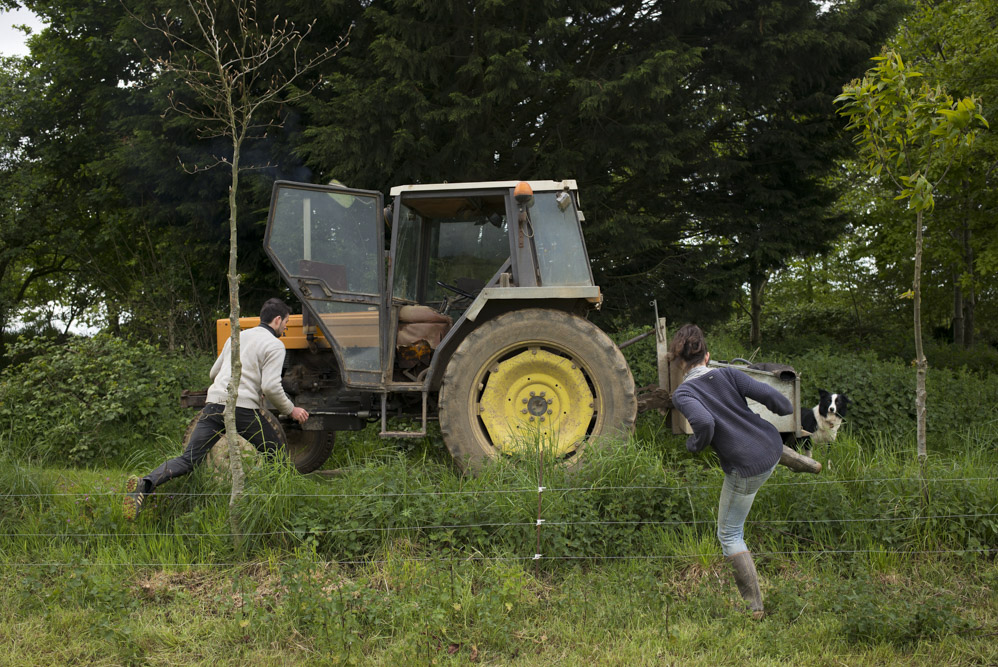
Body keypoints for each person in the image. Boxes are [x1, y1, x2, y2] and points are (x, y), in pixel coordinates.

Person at [123, 298, 309, 519]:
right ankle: (280, 511)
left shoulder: (237, 337)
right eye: (286, 322)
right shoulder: (274, 344)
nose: (286, 327)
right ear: (277, 320)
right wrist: (291, 410)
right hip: (242, 409)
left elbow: (214, 373)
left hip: (213, 405)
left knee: (189, 460)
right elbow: (271, 386)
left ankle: (144, 485)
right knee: (277, 458)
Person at [669, 323, 792, 619]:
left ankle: (755, 609)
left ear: (679, 363)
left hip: (746, 468)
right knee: (770, 454)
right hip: (771, 445)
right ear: (708, 356)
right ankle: (807, 463)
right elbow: (780, 402)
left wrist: (695, 446)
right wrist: (784, 407)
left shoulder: (683, 394)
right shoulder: (729, 373)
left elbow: (705, 423)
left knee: (730, 534)